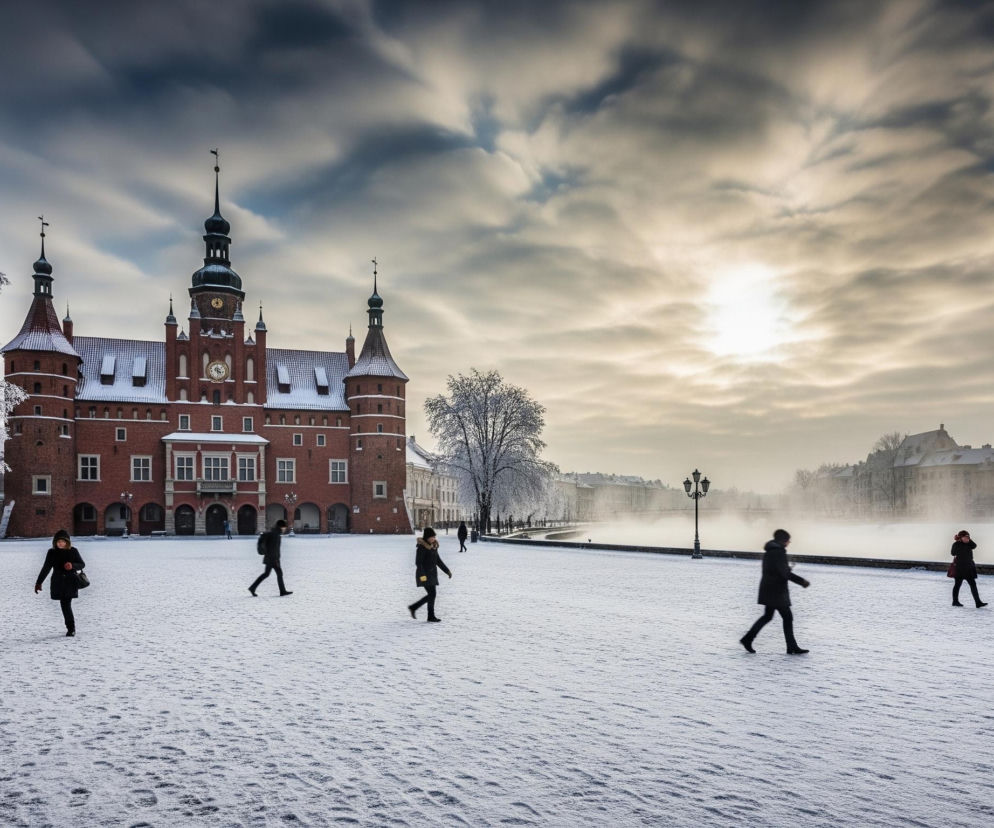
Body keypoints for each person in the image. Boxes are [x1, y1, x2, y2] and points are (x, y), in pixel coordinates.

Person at [740, 529, 811, 655]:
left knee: (768, 616)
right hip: (776, 591)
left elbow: (775, 569)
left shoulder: (770, 551)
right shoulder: (778, 552)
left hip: (769, 588)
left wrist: (785, 568)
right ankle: (792, 647)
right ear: (783, 541)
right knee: (787, 617)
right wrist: (802, 581)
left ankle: (748, 639)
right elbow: (784, 573)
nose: (789, 542)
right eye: (788, 540)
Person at [34, 529, 86, 637]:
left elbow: (81, 564)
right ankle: (70, 628)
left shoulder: (73, 551)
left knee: (66, 604)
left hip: (70, 581)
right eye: (58, 542)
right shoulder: (51, 552)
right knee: (65, 605)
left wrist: (72, 565)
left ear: (67, 542)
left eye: (62, 541)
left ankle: (71, 628)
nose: (60, 543)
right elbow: (46, 568)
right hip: (58, 582)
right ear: (55, 542)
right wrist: (39, 582)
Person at [408, 527, 451, 622]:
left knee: (432, 594)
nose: (433, 538)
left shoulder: (433, 547)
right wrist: (422, 575)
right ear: (427, 537)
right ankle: (427, 614)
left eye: (434, 536)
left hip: (432, 574)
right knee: (432, 594)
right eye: (431, 537)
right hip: (424, 574)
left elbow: (438, 561)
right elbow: (418, 563)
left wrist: (447, 571)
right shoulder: (422, 547)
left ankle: (416, 608)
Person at [249, 519, 292, 596]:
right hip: (273, 558)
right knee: (278, 574)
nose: (285, 529)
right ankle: (282, 591)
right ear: (281, 527)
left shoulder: (274, 533)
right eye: (284, 527)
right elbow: (273, 549)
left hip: (270, 558)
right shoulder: (275, 535)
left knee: (267, 574)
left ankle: (253, 588)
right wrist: (276, 559)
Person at [951, 530, 987, 608]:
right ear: (961, 537)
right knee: (957, 585)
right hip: (959, 567)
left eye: (968, 537)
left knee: (973, 585)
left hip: (969, 568)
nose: (967, 538)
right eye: (965, 537)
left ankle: (978, 603)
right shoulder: (956, 544)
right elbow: (953, 553)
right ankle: (955, 601)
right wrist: (959, 543)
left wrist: (969, 540)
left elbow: (975, 546)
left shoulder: (969, 544)